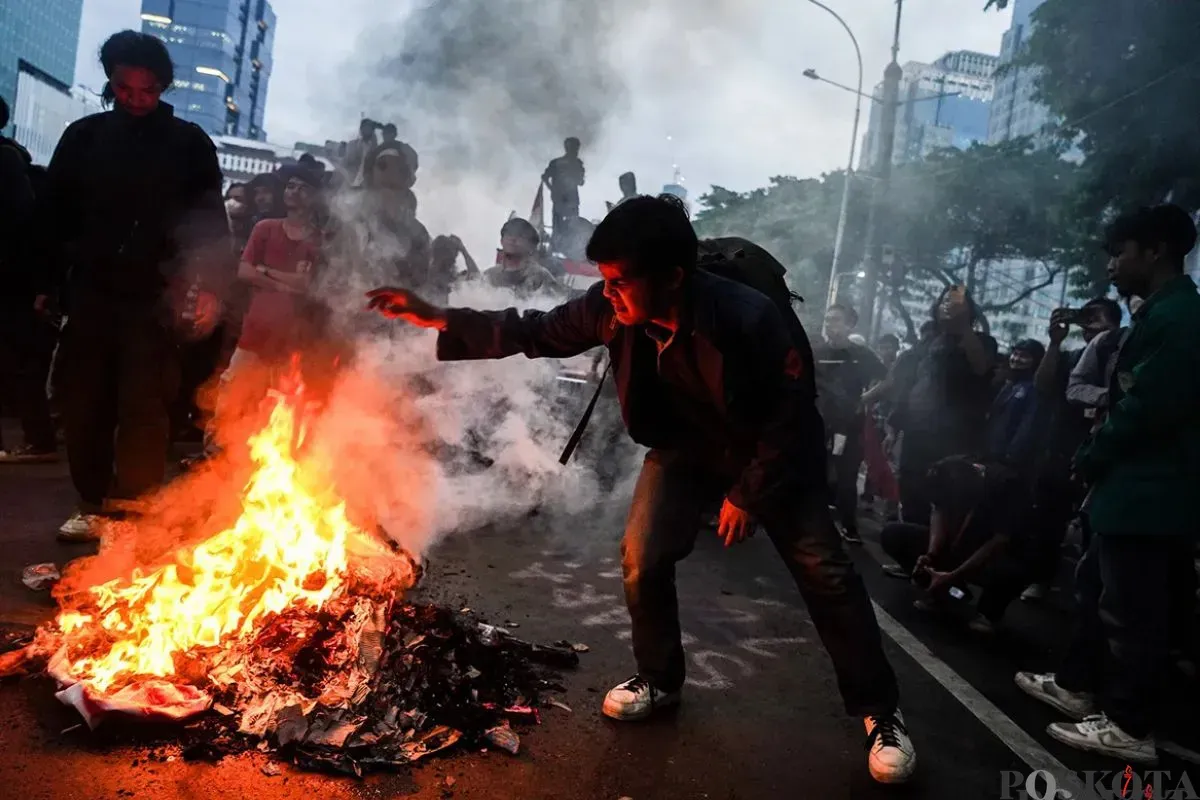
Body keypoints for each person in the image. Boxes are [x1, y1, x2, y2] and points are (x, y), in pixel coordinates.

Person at [365, 194, 917, 784]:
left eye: (622, 281)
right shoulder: (610, 311)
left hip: (772, 453)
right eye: (604, 280)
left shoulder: (748, 316)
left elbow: (791, 415)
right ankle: (659, 678)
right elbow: (534, 330)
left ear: (674, 277)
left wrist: (746, 495)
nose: (608, 293)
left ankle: (881, 712)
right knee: (642, 557)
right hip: (685, 448)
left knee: (826, 575)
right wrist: (440, 316)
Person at [1015, 204, 1200, 764]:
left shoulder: (1179, 318)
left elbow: (1145, 409)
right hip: (1129, 486)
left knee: (1132, 610)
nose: (1113, 266)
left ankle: (1129, 724)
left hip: (1149, 490)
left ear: (1156, 251)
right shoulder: (1160, 313)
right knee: (1097, 589)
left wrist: (1093, 454)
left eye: (1121, 252)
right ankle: (1078, 686)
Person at [38, 31, 229, 541]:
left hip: (156, 298)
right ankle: (93, 502)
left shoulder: (189, 144)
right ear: (112, 83)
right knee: (84, 401)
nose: (136, 99)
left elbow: (211, 221)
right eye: (125, 88)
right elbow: (53, 216)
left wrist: (209, 285)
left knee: (145, 403)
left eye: (147, 90)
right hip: (92, 292)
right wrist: (46, 282)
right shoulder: (85, 137)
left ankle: (131, 509)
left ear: (163, 86)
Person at [1021, 297, 1122, 601]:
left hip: (1102, 454)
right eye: (1086, 318)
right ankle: (1041, 579)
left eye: (1097, 318)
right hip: (1061, 451)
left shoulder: (1123, 359)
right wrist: (1054, 343)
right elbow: (1042, 384)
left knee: (1095, 526)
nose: (1089, 325)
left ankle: (1093, 593)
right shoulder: (1073, 357)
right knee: (1047, 521)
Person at [881, 456, 1034, 634]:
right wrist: (931, 555)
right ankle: (952, 593)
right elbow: (938, 510)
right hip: (961, 541)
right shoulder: (949, 469)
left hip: (994, 551)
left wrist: (954, 574)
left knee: (1012, 571)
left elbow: (999, 542)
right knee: (893, 534)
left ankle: (988, 612)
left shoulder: (1008, 486)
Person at [890, 287, 995, 526]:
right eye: (945, 301)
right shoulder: (927, 342)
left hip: (952, 436)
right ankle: (910, 554)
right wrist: (894, 427)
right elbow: (909, 382)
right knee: (910, 489)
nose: (949, 305)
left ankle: (935, 555)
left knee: (943, 495)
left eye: (957, 302)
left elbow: (981, 368)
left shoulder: (981, 342)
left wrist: (963, 326)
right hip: (916, 431)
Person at [813, 304, 886, 544]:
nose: (829, 324)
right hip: (819, 423)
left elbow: (888, 378)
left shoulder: (861, 355)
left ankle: (849, 526)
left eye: (835, 320)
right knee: (815, 473)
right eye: (827, 319)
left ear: (849, 325)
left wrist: (865, 398)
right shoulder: (816, 351)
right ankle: (815, 524)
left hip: (850, 426)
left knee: (847, 476)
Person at [984, 339, 1045, 470]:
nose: (1016, 359)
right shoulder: (1008, 384)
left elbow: (1027, 425)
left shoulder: (1033, 389)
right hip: (991, 451)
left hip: (1009, 459)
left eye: (1024, 356)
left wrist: (1011, 455)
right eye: (1015, 354)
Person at [484, 218, 560, 297]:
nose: (513, 239)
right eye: (509, 234)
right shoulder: (488, 276)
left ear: (531, 246)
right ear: (502, 241)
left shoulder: (541, 277)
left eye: (520, 236)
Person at [542, 137, 585, 244]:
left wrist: (552, 189)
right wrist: (552, 189)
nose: (576, 151)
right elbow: (581, 182)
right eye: (574, 148)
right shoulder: (575, 163)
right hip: (568, 200)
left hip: (563, 199)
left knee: (560, 226)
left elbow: (545, 177)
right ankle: (564, 246)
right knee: (570, 226)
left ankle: (559, 246)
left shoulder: (557, 163)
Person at [427, 235, 480, 305]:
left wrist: (464, 250)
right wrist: (464, 251)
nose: (454, 261)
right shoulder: (428, 278)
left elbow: (476, 278)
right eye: (452, 258)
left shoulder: (452, 278)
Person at [342, 118, 378, 188]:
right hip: (350, 182)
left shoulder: (375, 148)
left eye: (369, 128)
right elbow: (346, 162)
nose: (366, 130)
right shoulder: (352, 144)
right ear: (361, 129)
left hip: (367, 186)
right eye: (364, 127)